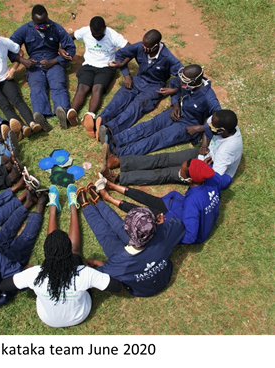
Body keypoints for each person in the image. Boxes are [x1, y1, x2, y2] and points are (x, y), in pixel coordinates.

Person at [0, 185, 122, 328]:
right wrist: (100, 264)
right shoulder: (84, 273)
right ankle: (73, 208)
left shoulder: (34, 274)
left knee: (60, 247)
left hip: (47, 318)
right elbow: (117, 287)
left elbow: (4, 286)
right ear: (67, 250)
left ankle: (53, 209)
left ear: (45, 251)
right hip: (79, 315)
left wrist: (26, 272)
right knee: (76, 252)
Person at [78, 184, 186, 297]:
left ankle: (91, 205)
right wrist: (161, 227)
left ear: (127, 230)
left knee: (106, 237)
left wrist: (96, 262)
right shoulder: (163, 238)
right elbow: (178, 225)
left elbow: (99, 276)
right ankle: (96, 203)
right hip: (163, 276)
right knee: (111, 233)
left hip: (141, 287)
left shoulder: (119, 262)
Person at [95, 159, 232, 245]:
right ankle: (112, 186)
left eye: (182, 171)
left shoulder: (193, 202)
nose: (178, 170)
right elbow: (227, 180)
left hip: (180, 220)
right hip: (179, 206)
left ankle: (109, 198)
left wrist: (165, 229)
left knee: (143, 214)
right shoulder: (212, 178)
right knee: (149, 199)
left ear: (190, 180)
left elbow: (190, 236)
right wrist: (208, 169)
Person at [102, 65, 222, 158]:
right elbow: (175, 84)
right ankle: (116, 139)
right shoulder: (187, 82)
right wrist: (175, 104)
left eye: (184, 81)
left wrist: (198, 129)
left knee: (158, 138)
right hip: (177, 112)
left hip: (188, 125)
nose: (181, 82)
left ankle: (119, 152)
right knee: (150, 125)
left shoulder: (209, 97)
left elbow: (221, 122)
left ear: (195, 82)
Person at [102, 109, 243, 186]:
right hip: (203, 154)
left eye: (213, 127)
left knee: (164, 174)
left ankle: (119, 178)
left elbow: (216, 179)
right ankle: (119, 161)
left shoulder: (228, 150)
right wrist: (204, 142)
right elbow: (208, 121)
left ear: (222, 130)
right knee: (162, 158)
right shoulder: (228, 125)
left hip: (207, 169)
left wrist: (201, 170)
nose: (209, 126)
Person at [95, 29, 184, 141]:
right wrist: (127, 76)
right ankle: (100, 120)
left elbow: (183, 76)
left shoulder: (168, 57)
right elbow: (120, 54)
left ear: (156, 46)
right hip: (137, 80)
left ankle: (109, 129)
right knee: (120, 98)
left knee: (137, 106)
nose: (143, 48)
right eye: (143, 44)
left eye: (147, 47)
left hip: (154, 87)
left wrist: (174, 90)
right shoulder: (140, 46)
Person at [9, 4, 76, 128]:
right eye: (38, 25)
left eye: (45, 23)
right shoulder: (25, 29)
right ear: (32, 20)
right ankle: (40, 115)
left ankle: (62, 110)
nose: (42, 27)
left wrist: (55, 60)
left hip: (53, 62)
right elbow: (9, 48)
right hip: (34, 65)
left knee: (58, 85)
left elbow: (71, 48)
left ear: (48, 18)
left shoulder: (56, 28)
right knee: (37, 87)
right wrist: (23, 61)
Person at [62, 16, 130, 133]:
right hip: (88, 65)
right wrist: (61, 48)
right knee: (82, 88)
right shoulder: (85, 31)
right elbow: (70, 37)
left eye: (100, 34)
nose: (97, 37)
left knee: (96, 88)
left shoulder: (112, 35)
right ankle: (74, 111)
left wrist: (122, 63)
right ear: (90, 29)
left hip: (106, 67)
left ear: (105, 28)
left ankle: (88, 115)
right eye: (94, 34)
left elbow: (130, 47)